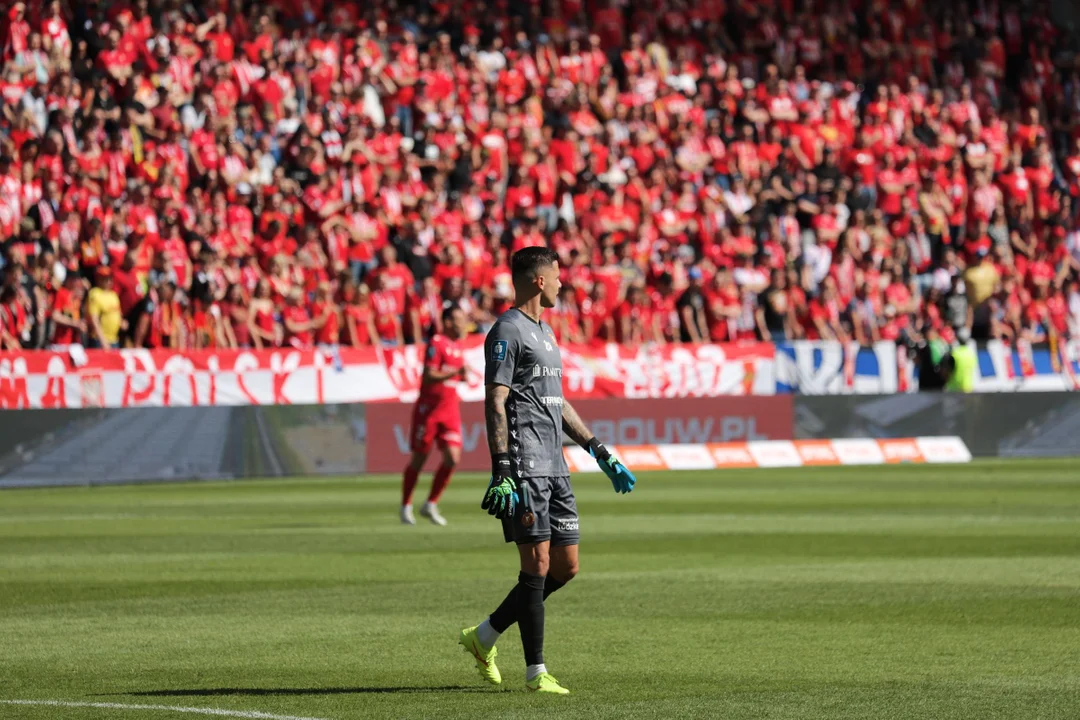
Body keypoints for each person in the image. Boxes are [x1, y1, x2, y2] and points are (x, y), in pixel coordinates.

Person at [458, 246, 637, 694]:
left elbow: (557, 401)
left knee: (566, 566)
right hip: (524, 464)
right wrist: (502, 467)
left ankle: (483, 636)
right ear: (539, 280)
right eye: (557, 277)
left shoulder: (546, 333)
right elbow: (496, 398)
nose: (562, 283)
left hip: (555, 465)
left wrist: (598, 449)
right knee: (536, 566)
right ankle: (537, 672)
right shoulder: (507, 331)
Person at [400, 304, 470, 527]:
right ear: (448, 322)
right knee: (419, 459)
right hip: (429, 411)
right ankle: (406, 505)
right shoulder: (436, 343)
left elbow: (453, 378)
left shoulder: (458, 347)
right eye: (459, 319)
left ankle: (430, 503)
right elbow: (429, 376)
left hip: (449, 411)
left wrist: (462, 376)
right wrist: (455, 373)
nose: (463, 323)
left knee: (453, 458)